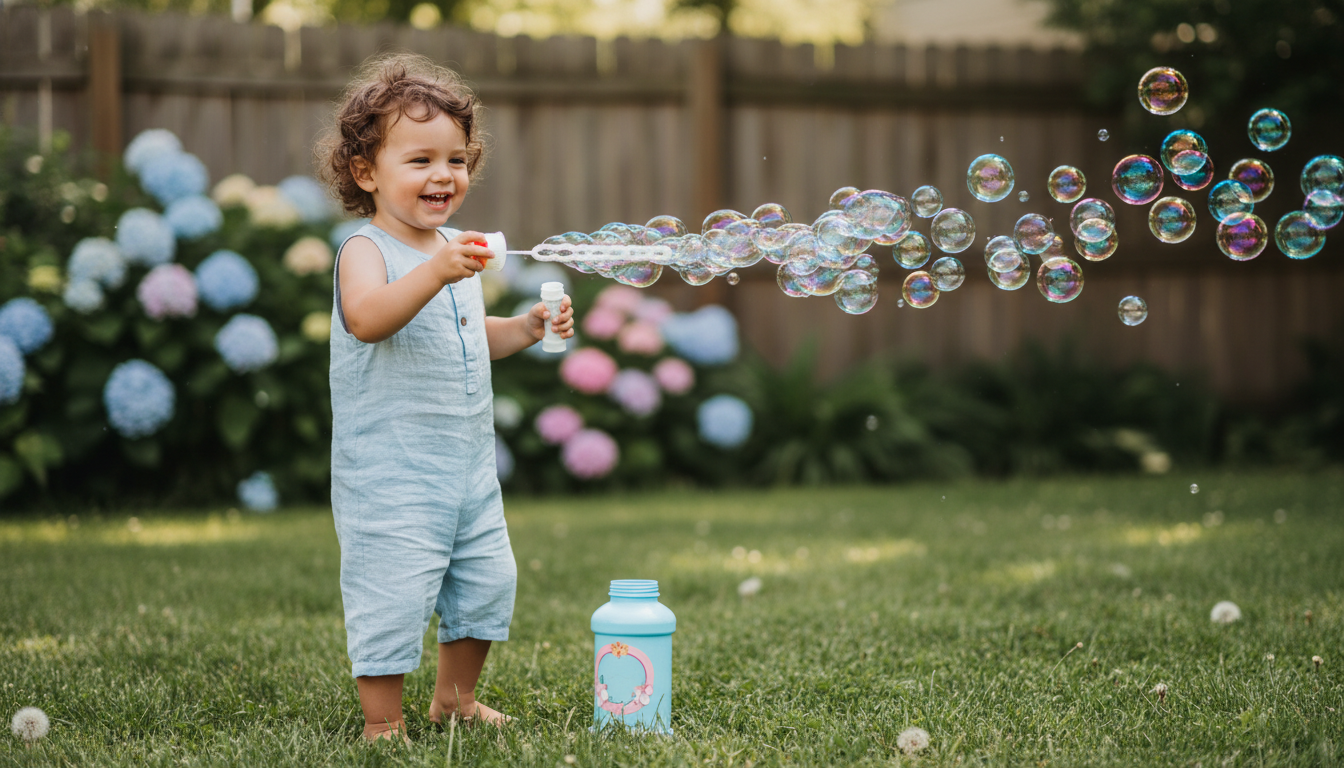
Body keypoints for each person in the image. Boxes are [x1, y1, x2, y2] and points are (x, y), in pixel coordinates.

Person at [317, 52, 574, 742]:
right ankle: (383, 721)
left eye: (457, 160)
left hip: (464, 468)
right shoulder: (366, 252)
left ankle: (455, 701)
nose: (443, 175)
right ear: (365, 172)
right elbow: (371, 319)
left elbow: (462, 336)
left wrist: (525, 327)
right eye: (421, 159)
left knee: (489, 582)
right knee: (392, 593)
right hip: (390, 470)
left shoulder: (458, 252)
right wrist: (436, 269)